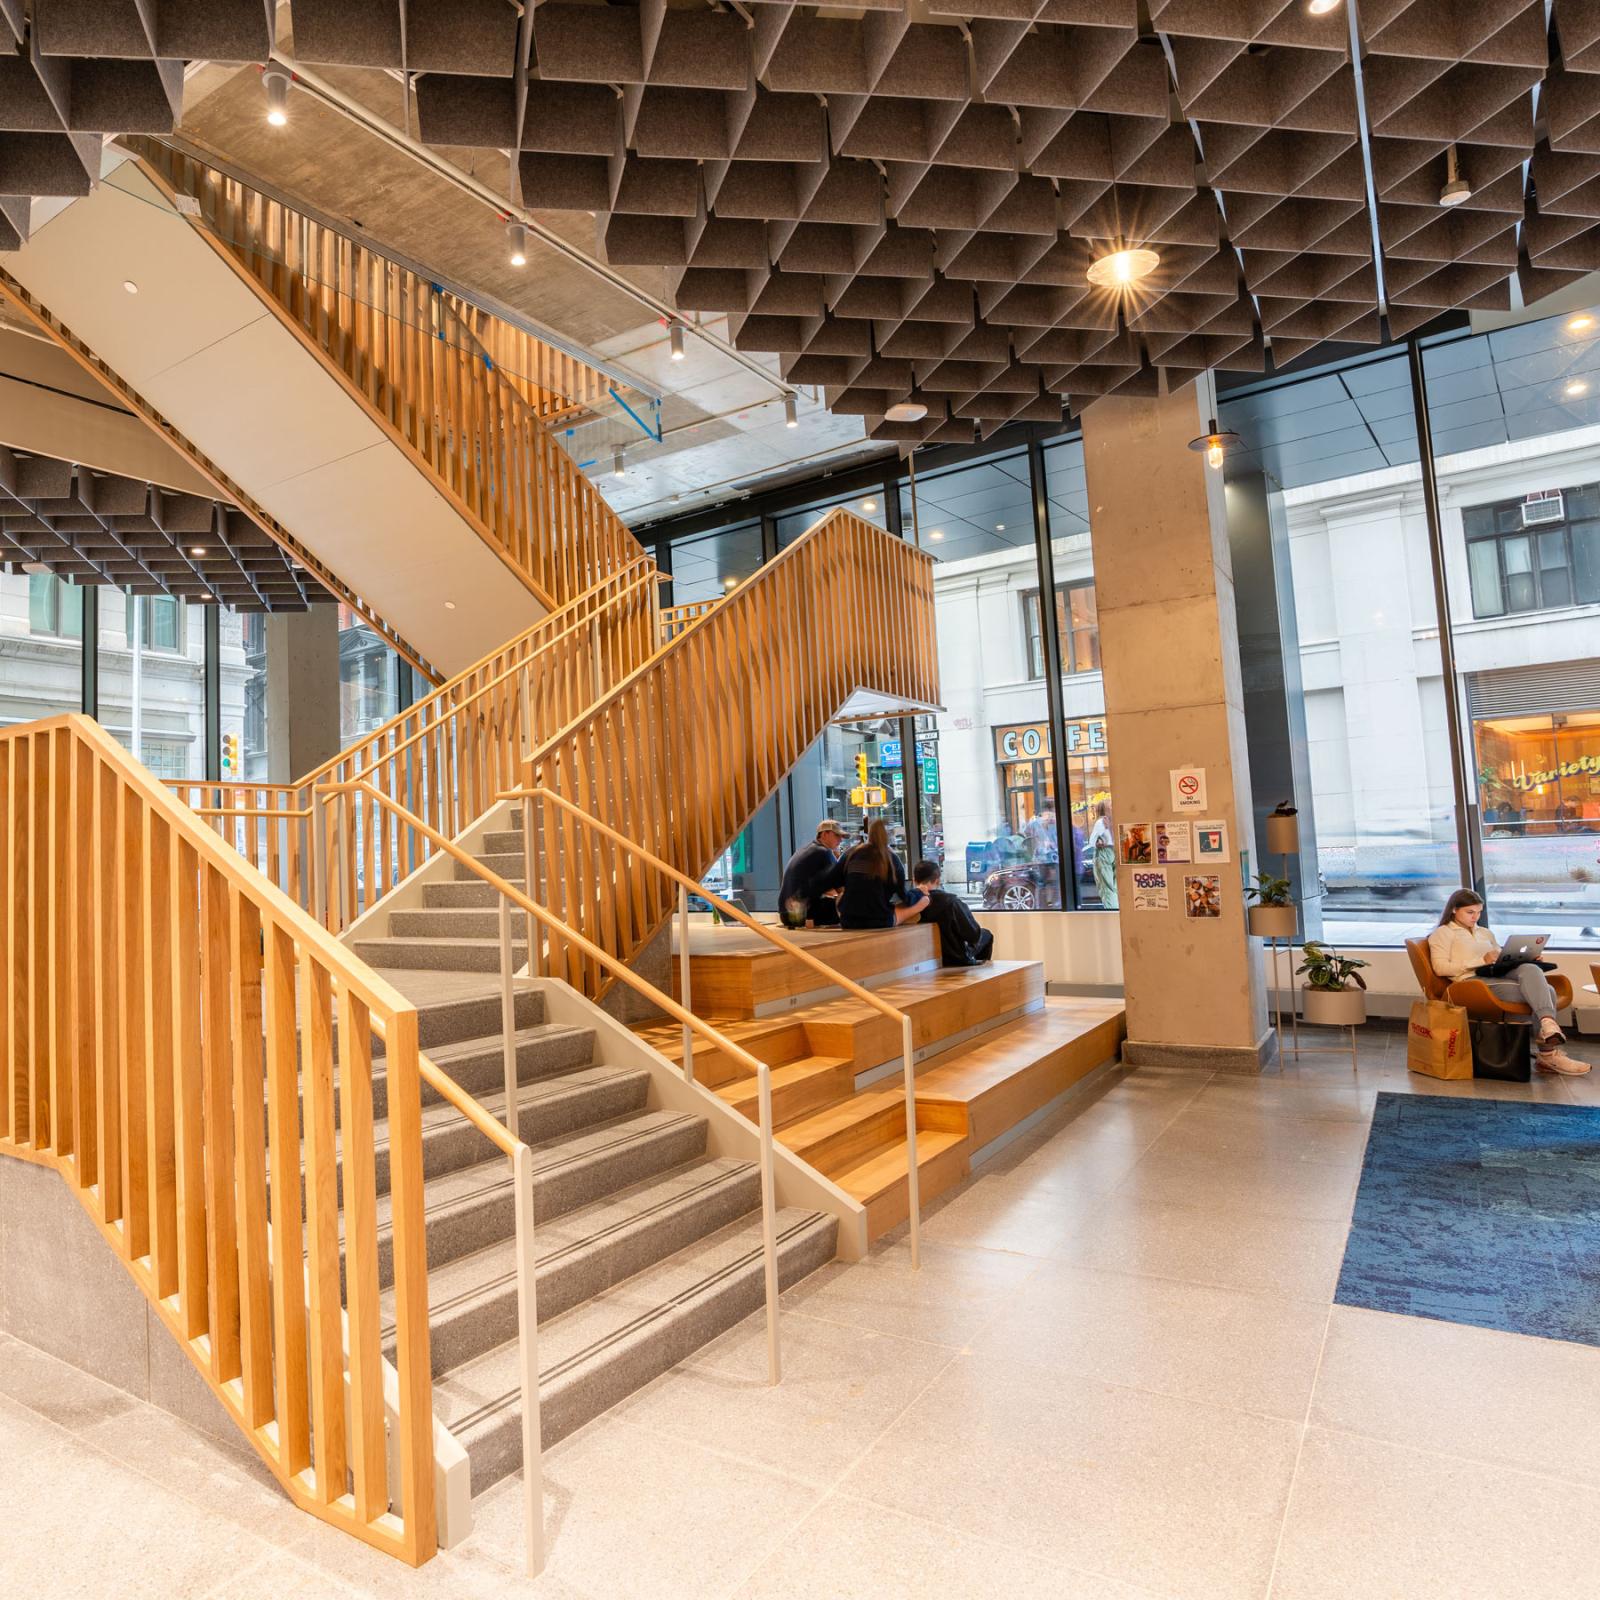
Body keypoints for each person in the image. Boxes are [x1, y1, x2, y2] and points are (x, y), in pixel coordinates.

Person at [1426, 889, 1588, 1075]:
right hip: (1470, 983)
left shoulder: (1485, 933)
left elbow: (1500, 958)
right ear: (1454, 909)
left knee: (1531, 969)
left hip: (1494, 976)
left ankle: (1547, 1026)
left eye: (1479, 912)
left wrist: (1526, 958)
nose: (1475, 917)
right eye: (1470, 912)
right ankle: (1548, 1054)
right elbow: (1440, 968)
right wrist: (1480, 961)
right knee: (1548, 991)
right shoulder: (1444, 933)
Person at [821, 817, 926, 929]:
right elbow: (904, 896)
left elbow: (832, 880)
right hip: (879, 921)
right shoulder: (891, 859)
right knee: (924, 901)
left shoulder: (851, 853)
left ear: (869, 834)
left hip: (848, 920)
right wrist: (919, 892)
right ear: (888, 837)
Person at [912, 859, 994, 967]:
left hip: (923, 960)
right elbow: (973, 935)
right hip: (955, 957)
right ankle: (976, 972)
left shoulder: (909, 904)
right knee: (986, 934)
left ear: (914, 880)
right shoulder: (951, 902)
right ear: (937, 880)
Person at [777, 819, 845, 928]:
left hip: (786, 914)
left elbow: (814, 886)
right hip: (801, 916)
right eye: (837, 835)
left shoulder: (806, 850)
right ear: (824, 834)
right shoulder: (824, 852)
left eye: (842, 837)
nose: (841, 840)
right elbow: (840, 889)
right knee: (850, 907)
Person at [1086, 800, 1118, 909]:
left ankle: (1111, 912)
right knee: (1115, 886)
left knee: (1106, 887)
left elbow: (1091, 841)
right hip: (1115, 851)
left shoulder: (1101, 822)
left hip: (1104, 852)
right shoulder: (1114, 820)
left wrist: (1097, 842)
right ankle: (1117, 911)